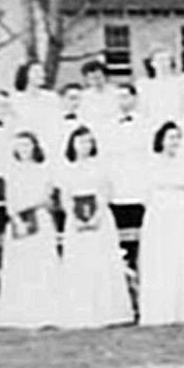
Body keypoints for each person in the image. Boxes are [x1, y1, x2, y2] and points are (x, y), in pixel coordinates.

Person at [57, 126, 134, 329]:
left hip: (99, 218)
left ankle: (107, 311)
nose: (85, 146)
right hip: (76, 219)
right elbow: (65, 196)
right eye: (81, 142)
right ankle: (81, 313)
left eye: (89, 142)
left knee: (101, 260)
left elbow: (107, 192)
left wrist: (97, 215)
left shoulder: (101, 167)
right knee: (80, 262)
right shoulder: (66, 169)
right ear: (72, 144)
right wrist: (74, 218)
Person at [138, 121, 184, 326]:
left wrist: (182, 208)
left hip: (181, 213)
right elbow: (144, 194)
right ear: (161, 140)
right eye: (171, 137)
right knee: (160, 259)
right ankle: (160, 311)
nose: (175, 142)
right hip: (158, 214)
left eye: (178, 137)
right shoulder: (150, 163)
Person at [0, 131, 64, 329]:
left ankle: (46, 313)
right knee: (21, 266)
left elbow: (48, 199)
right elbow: (10, 202)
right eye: (20, 145)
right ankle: (19, 315)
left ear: (35, 147)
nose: (24, 149)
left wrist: (36, 205)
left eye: (27, 145)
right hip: (19, 223)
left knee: (42, 264)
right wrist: (17, 219)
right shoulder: (11, 171)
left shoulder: (45, 170)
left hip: (41, 220)